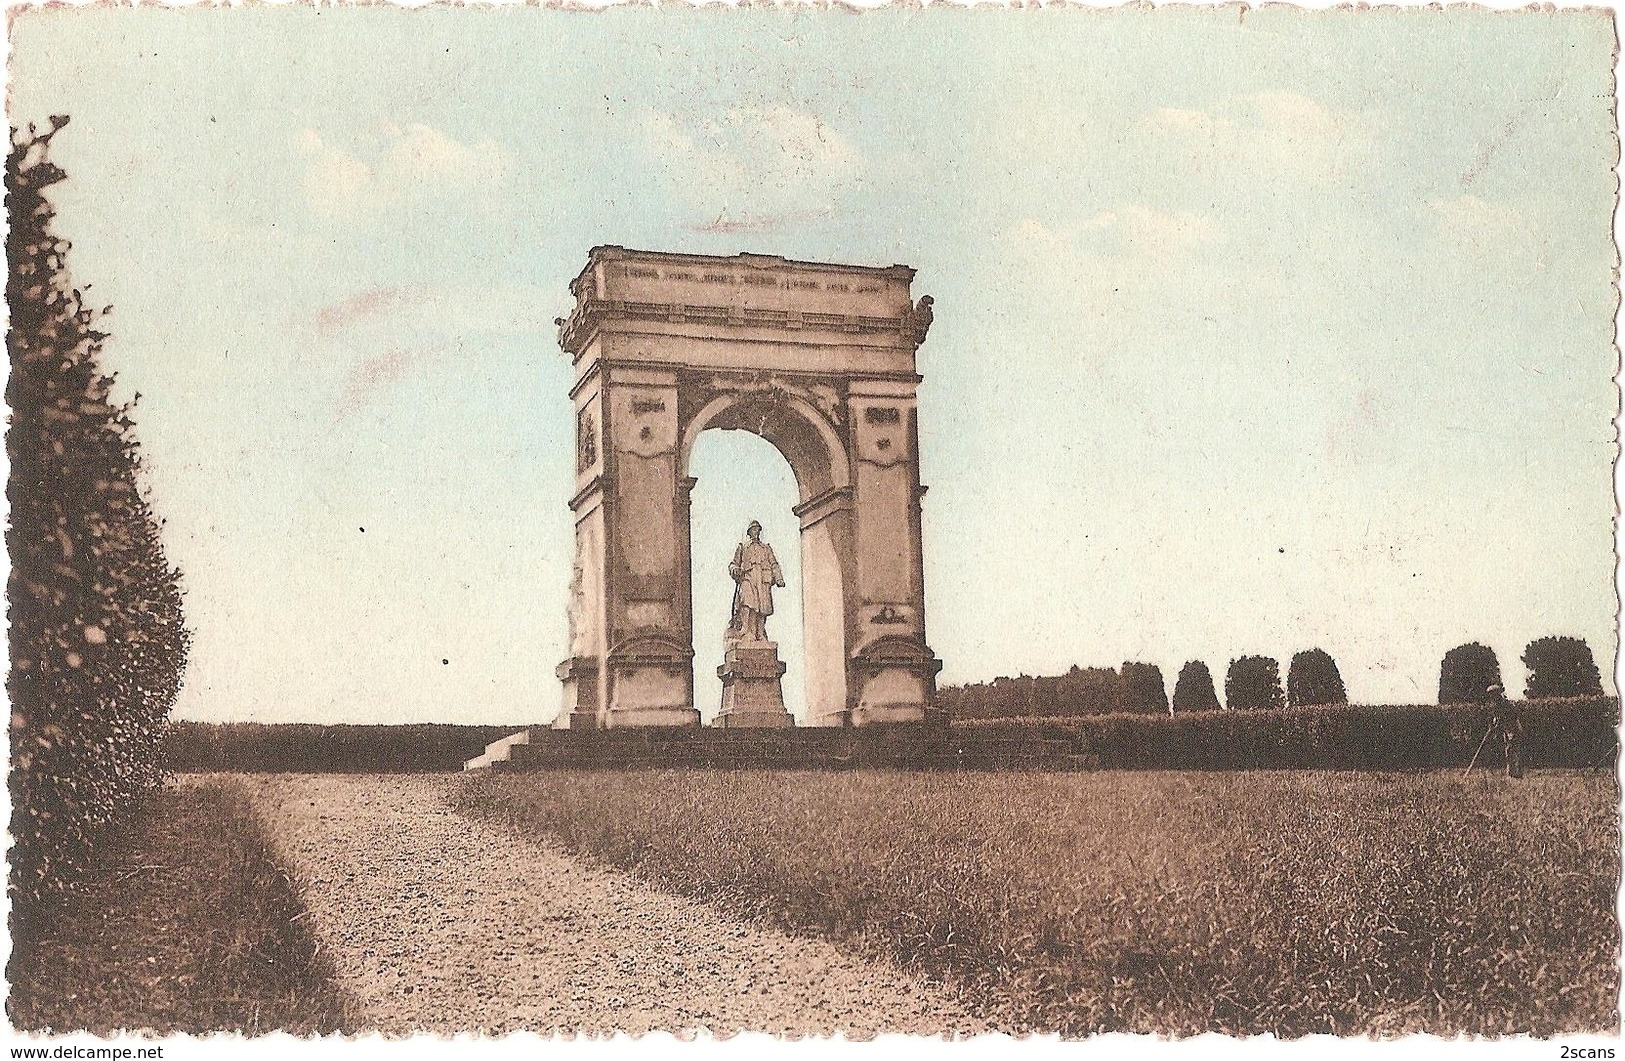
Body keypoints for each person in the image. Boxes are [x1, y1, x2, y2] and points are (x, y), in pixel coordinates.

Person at [728, 520, 785, 644]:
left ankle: (760, 633)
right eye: (753, 530)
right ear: (749, 532)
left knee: (763, 607)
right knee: (748, 603)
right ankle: (747, 631)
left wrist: (779, 578)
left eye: (757, 529)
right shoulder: (743, 547)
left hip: (763, 579)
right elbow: (733, 564)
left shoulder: (766, 548)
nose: (756, 532)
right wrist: (735, 570)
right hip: (747, 577)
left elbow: (774, 563)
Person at [1488, 683, 1524, 779]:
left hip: (1513, 729)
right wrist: (1493, 726)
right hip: (1507, 730)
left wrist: (1497, 726)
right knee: (1508, 751)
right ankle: (1511, 773)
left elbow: (1510, 717)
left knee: (1514, 751)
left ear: (1497, 694)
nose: (1491, 697)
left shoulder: (1505, 704)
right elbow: (1495, 718)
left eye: (1492, 694)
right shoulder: (1496, 705)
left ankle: (1516, 774)